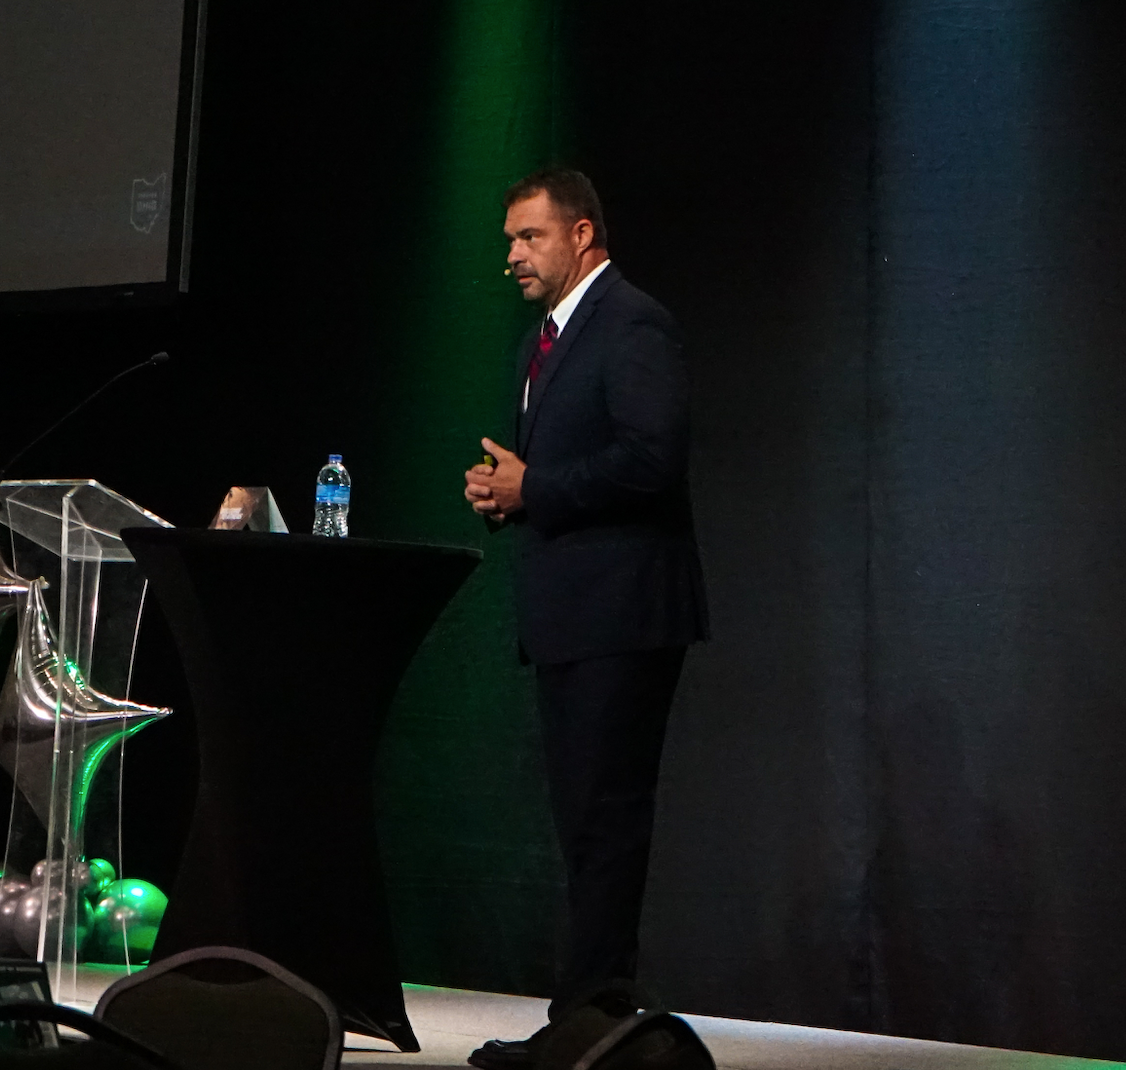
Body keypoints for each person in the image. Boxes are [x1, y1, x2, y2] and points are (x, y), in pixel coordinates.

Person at [463, 169, 708, 1070]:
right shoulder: (547, 338)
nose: (513, 256)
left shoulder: (632, 322)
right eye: (509, 241)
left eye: (528, 237)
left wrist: (540, 487)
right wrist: (509, 495)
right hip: (573, 610)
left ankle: (593, 1026)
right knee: (583, 822)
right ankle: (588, 1020)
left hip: (623, 610)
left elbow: (652, 459)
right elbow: (570, 468)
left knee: (605, 821)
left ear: (583, 236)